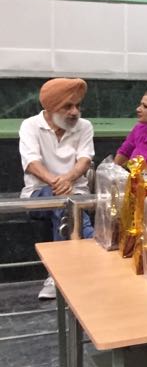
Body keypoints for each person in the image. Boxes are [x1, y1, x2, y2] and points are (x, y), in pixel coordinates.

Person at [20, 78, 95, 300]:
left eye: (78, 106)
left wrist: (68, 179)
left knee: (65, 206)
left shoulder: (85, 126)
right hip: (38, 196)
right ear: (51, 107)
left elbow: (85, 160)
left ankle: (57, 275)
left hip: (76, 194)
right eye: (67, 106)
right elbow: (32, 163)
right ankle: (92, 245)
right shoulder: (30, 126)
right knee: (65, 204)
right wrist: (58, 183)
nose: (75, 112)